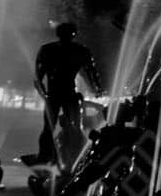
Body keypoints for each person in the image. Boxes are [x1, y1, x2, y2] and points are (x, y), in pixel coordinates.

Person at [24, 22, 103, 168]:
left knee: (51, 127)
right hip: (67, 94)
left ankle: (47, 156)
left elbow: (38, 77)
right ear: (74, 34)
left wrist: (44, 94)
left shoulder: (47, 50)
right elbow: (92, 72)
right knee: (72, 126)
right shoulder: (80, 50)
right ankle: (70, 155)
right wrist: (97, 88)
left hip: (56, 94)